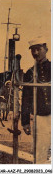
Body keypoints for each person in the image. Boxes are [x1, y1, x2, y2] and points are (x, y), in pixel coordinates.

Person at [21, 36, 51, 164]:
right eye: (33, 50)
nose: (36, 53)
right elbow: (26, 99)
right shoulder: (30, 72)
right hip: (40, 118)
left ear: (46, 49)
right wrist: (25, 121)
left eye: (38, 49)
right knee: (40, 154)